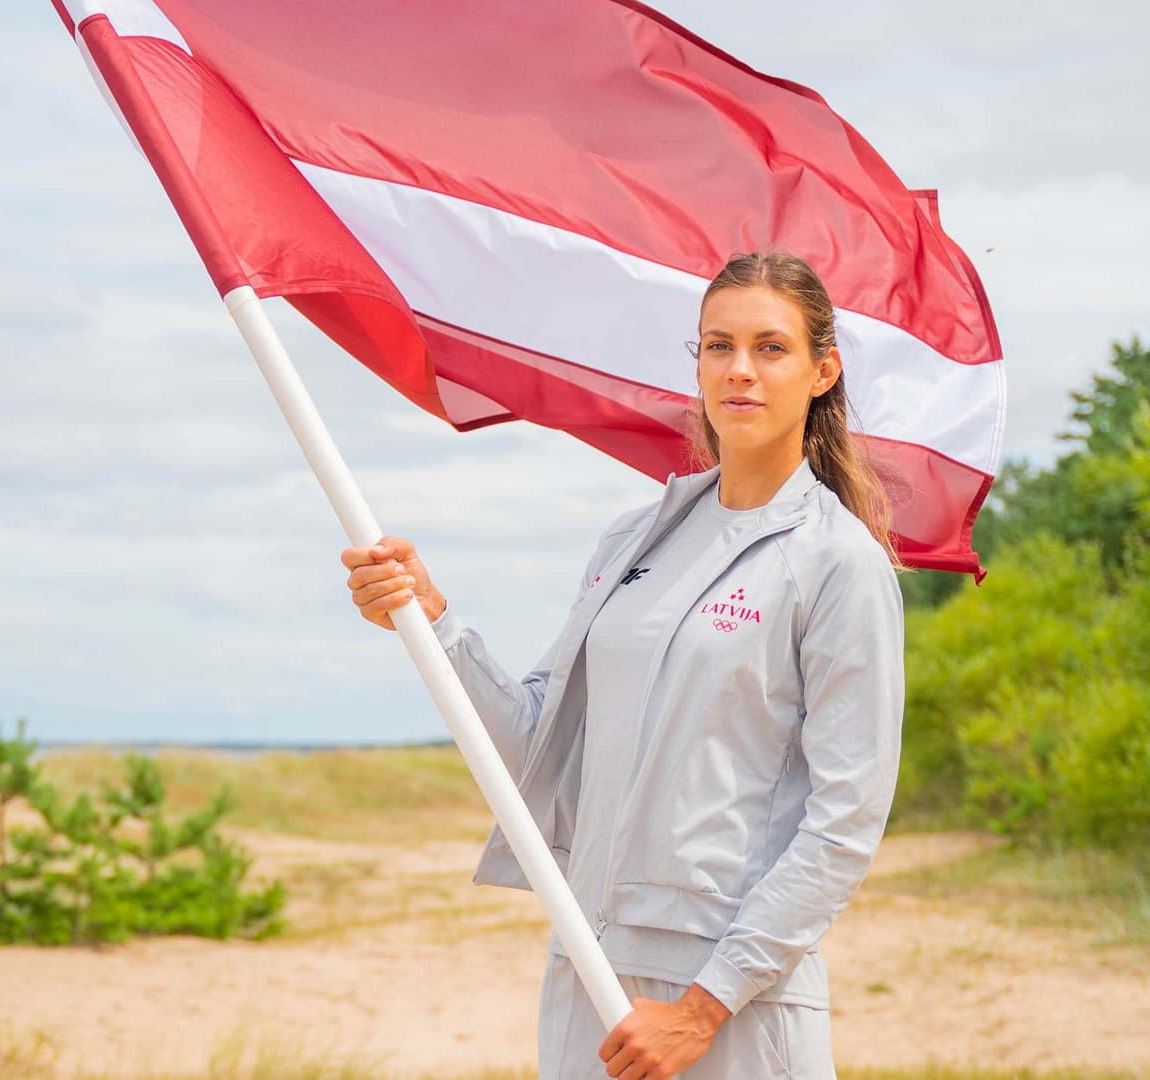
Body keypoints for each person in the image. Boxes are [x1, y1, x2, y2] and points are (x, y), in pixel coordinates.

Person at [338, 251, 906, 1079]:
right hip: (589, 971)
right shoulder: (632, 539)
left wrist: (704, 1008)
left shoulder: (838, 561)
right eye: (718, 346)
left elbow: (846, 819)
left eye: (770, 348)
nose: (740, 370)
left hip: (729, 1001)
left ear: (823, 372)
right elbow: (537, 743)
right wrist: (433, 623)